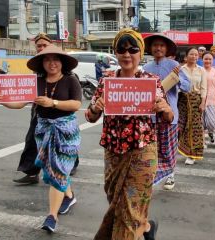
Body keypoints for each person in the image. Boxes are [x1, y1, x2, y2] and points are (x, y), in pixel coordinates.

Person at [85, 28, 173, 240]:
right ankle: (146, 228)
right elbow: (90, 116)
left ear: (140, 53)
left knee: (130, 206)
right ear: (115, 53)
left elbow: (168, 117)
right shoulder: (107, 81)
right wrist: (97, 107)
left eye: (132, 49)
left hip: (142, 152)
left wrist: (165, 108)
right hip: (114, 153)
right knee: (118, 203)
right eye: (121, 50)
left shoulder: (151, 81)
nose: (127, 54)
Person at [0, 44, 82, 232]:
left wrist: (53, 102)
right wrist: (3, 101)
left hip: (66, 131)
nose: (52, 63)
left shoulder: (70, 80)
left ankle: (52, 216)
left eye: (56, 59)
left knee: (58, 169)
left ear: (62, 62)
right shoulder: (36, 81)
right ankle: (69, 195)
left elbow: (76, 104)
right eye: (47, 59)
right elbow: (19, 103)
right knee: (52, 168)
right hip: (43, 130)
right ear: (42, 63)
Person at [143, 33, 190, 190]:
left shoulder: (174, 65)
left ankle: (170, 175)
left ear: (166, 48)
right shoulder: (145, 68)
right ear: (150, 48)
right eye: (155, 45)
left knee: (168, 149)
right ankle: (151, 175)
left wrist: (178, 79)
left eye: (162, 45)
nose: (158, 48)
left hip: (170, 115)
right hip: (150, 117)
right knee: (151, 149)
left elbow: (187, 87)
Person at [178, 47, 207, 165]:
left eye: (196, 55)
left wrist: (203, 102)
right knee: (182, 126)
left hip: (196, 101)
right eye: (191, 54)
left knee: (194, 128)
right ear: (186, 56)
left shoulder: (201, 70)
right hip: (183, 101)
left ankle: (192, 154)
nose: (194, 56)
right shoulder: (180, 69)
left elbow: (204, 88)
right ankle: (183, 148)